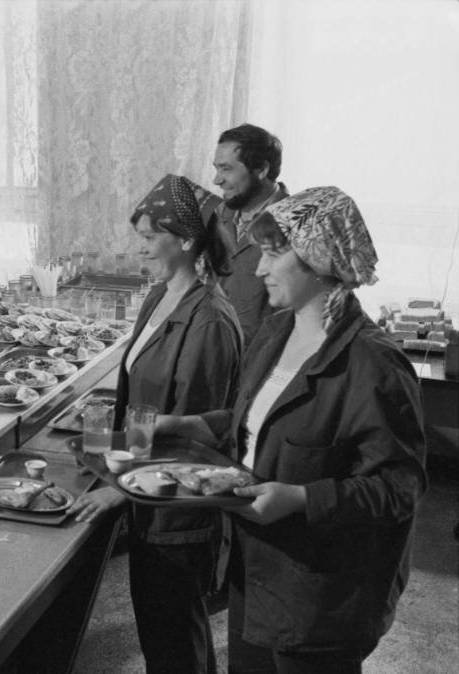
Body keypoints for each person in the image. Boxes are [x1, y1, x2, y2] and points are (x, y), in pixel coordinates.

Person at [158, 186, 427, 673]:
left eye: (273, 254)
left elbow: (399, 487)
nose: (259, 269)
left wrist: (301, 499)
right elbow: (258, 424)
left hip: (321, 594)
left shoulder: (373, 363)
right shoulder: (276, 332)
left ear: (319, 259)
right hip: (255, 570)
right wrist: (190, 425)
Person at [69, 174, 242, 674]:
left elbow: (196, 441)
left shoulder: (209, 321)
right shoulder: (160, 296)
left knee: (172, 635)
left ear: (185, 240)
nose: (140, 247)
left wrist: (120, 491)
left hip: (176, 511)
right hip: (147, 492)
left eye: (149, 237)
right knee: (169, 630)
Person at [213, 123, 289, 345]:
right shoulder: (217, 214)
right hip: (217, 351)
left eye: (226, 169)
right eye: (216, 168)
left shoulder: (295, 224)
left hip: (263, 357)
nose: (217, 180)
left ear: (262, 170)